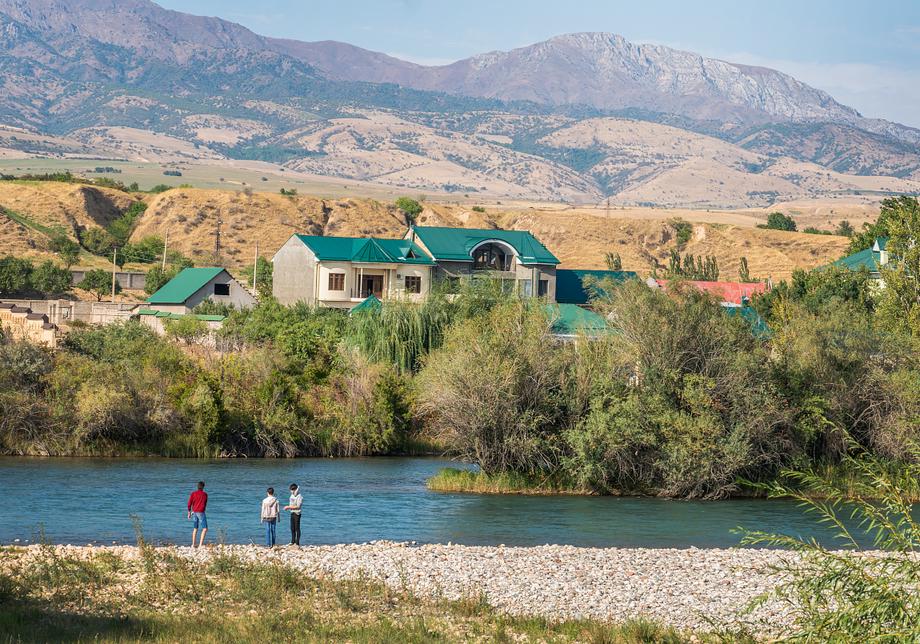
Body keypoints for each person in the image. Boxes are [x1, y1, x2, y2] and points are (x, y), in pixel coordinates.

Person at [186, 481, 208, 548]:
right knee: (205, 529)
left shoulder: (193, 493)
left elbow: (189, 503)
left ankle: (193, 544)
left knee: (195, 528)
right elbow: (204, 504)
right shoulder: (205, 494)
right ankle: (200, 545)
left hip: (195, 512)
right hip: (201, 512)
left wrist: (189, 512)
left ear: (197, 486)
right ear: (203, 487)